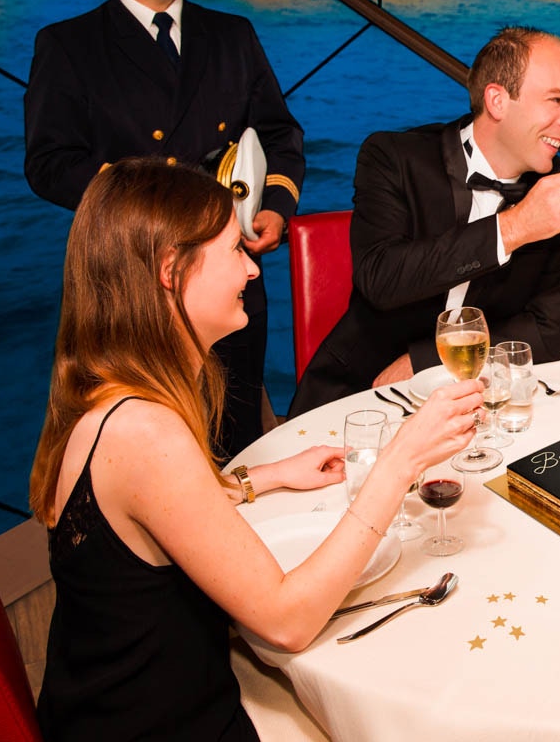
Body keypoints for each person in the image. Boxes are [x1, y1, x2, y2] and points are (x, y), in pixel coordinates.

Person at [29, 158, 479, 741]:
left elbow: (153, 518)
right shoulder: (145, 432)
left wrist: (259, 479)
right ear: (171, 270)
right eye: (232, 251)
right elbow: (287, 622)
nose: (251, 270)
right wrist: (399, 463)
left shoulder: (112, 395)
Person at [23, 0, 305, 459]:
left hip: (232, 271)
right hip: (133, 276)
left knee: (236, 431)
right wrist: (151, 205)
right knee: (152, 444)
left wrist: (275, 207)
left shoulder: (233, 34)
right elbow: (49, 164)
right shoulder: (68, 46)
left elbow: (280, 134)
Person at [289, 26, 560, 412]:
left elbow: (550, 333)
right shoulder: (394, 158)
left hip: (487, 400)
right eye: (557, 100)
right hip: (363, 393)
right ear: (498, 101)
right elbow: (381, 278)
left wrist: (426, 362)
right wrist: (514, 227)